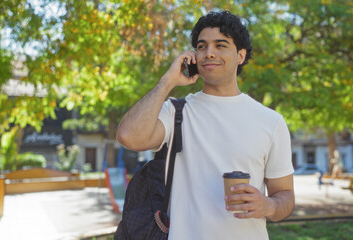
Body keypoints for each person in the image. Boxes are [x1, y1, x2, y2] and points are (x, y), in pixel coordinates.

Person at [116, 10, 294, 240]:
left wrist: (268, 206)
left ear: (240, 55)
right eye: (202, 46)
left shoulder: (271, 122)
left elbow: (285, 196)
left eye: (220, 45)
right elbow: (128, 136)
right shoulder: (176, 112)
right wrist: (168, 81)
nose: (209, 53)